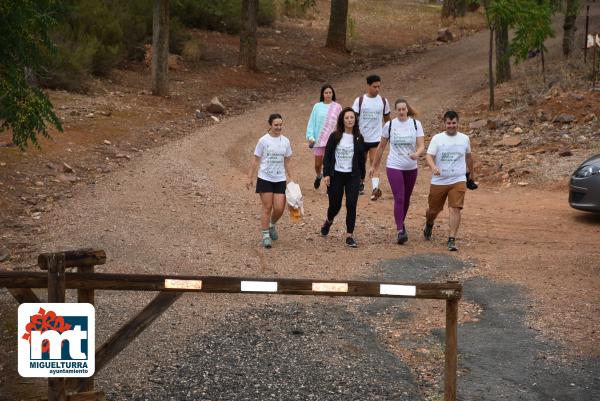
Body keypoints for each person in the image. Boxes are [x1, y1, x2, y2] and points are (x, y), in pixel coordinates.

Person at [370, 98, 425, 244]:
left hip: (411, 167)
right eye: (399, 109)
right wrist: (374, 166)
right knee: (399, 197)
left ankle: (401, 222)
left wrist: (417, 154)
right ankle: (400, 230)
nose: (401, 111)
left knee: (406, 198)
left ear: (407, 109)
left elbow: (421, 145)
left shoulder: (415, 124)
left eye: (403, 109)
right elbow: (381, 147)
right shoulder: (389, 125)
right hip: (394, 165)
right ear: (396, 111)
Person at [423, 110, 474, 251]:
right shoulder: (437, 139)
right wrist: (433, 167)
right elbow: (428, 156)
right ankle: (429, 223)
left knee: (455, 208)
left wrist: (471, 175)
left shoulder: (464, 138)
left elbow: (469, 157)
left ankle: (452, 239)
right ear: (444, 123)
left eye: (454, 123)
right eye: (449, 123)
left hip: (458, 179)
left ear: (458, 123)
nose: (451, 126)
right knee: (433, 210)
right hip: (439, 180)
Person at [246, 113, 294, 248]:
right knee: (267, 207)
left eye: (280, 125)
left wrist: (292, 178)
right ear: (270, 125)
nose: (279, 127)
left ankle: (272, 225)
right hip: (265, 177)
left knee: (279, 208)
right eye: (276, 125)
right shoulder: (263, 141)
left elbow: (288, 161)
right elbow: (256, 159)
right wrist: (249, 177)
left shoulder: (285, 141)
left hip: (280, 178)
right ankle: (265, 235)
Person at [320, 107, 366, 248]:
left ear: (355, 119)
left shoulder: (359, 137)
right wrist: (326, 174)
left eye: (352, 117)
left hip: (353, 175)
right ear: (342, 120)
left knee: (351, 204)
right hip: (336, 175)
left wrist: (362, 178)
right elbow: (327, 156)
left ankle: (349, 236)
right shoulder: (335, 136)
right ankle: (329, 220)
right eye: (347, 118)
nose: (349, 120)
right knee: (335, 205)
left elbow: (361, 160)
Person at [352, 74, 391, 200]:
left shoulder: (383, 101)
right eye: (374, 87)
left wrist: (391, 133)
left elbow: (387, 120)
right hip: (362, 138)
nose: (377, 89)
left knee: (375, 163)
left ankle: (375, 189)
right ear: (368, 86)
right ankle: (360, 184)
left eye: (379, 86)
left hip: (376, 139)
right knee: (360, 163)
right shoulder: (360, 101)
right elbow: (353, 118)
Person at [305, 84, 343, 189]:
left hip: (332, 140)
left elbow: (341, 123)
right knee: (318, 164)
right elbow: (312, 122)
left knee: (330, 164)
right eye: (326, 93)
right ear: (322, 94)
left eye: (330, 92)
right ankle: (319, 175)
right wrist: (310, 136)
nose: (328, 95)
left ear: (333, 94)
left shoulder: (337, 107)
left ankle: (329, 186)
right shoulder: (317, 106)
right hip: (319, 140)